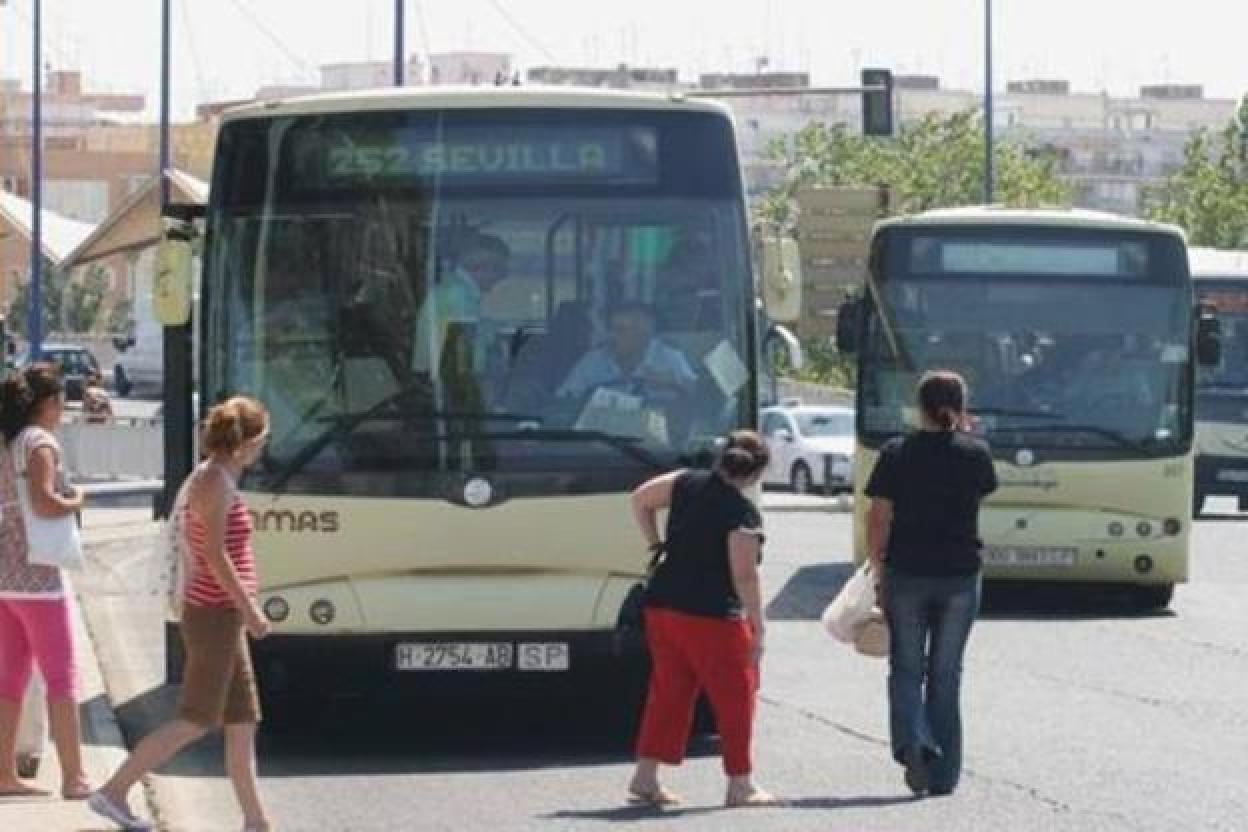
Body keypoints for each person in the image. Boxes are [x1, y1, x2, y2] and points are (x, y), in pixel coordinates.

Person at [90, 397, 272, 832]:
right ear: (247, 442)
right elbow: (214, 553)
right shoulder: (214, 482)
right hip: (214, 615)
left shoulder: (220, 477)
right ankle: (113, 792)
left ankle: (256, 821)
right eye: (262, 439)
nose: (263, 448)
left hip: (223, 615)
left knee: (242, 721)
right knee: (195, 719)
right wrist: (250, 610)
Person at [627, 430, 780, 808]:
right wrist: (758, 626)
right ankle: (740, 783)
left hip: (662, 604)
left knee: (669, 692)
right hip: (711, 616)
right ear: (756, 473)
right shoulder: (742, 512)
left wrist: (655, 543)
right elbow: (743, 575)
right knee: (736, 697)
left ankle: (646, 776)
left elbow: (640, 499)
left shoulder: (684, 482)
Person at [864, 371, 997, 797]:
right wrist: (965, 434)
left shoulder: (896, 453)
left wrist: (876, 566)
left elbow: (879, 515)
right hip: (959, 574)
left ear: (917, 406)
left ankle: (914, 744)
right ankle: (943, 775)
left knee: (905, 667)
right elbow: (981, 493)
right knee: (946, 673)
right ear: (960, 407)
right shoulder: (975, 454)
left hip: (906, 571)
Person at [0, 363, 91, 800]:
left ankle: (4, 773)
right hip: (39, 580)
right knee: (62, 676)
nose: (63, 411)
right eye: (61, 403)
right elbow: (44, 502)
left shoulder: (9, 442)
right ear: (48, 404)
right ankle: (74, 777)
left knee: (9, 677)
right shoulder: (40, 443)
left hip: (5, 576)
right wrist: (77, 499)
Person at [411, 232, 510, 376]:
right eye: (501, 271)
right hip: (441, 381)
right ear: (483, 267)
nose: (502, 278)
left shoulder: (455, 288)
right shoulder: (458, 295)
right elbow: (469, 356)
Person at [556, 302, 697, 401]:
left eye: (621, 331)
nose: (613, 336)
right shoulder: (594, 360)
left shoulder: (668, 357)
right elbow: (564, 399)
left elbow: (701, 399)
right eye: (611, 329)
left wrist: (674, 383)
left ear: (644, 334)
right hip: (602, 436)